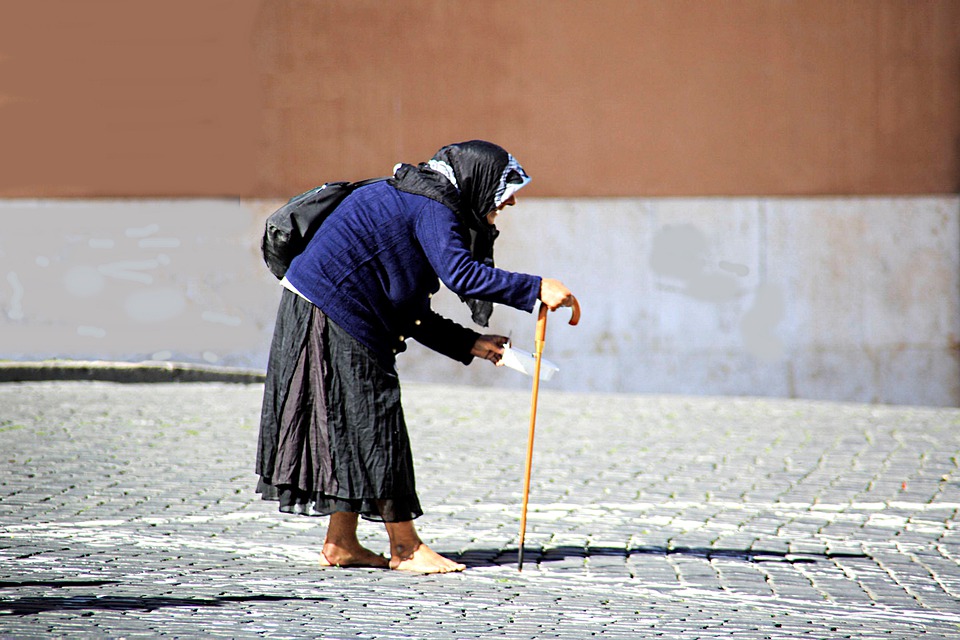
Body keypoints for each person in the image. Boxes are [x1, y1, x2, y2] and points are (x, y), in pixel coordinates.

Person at [255, 140, 575, 574]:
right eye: (505, 189)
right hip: (331, 313)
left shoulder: (419, 197)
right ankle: (405, 548)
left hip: (322, 309)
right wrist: (536, 288)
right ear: (476, 182)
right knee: (377, 420)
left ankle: (341, 542)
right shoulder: (432, 207)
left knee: (354, 426)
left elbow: (406, 305)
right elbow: (461, 273)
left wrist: (469, 343)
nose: (511, 199)